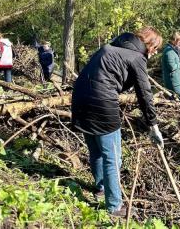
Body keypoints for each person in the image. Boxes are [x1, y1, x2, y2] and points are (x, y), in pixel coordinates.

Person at [71, 27, 164, 218]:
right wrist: (153, 126)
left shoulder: (111, 47)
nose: (154, 53)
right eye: (155, 48)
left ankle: (102, 189)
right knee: (113, 156)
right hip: (101, 102)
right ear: (150, 45)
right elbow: (145, 94)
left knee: (96, 149)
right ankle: (114, 206)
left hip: (79, 97)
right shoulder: (137, 57)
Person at [161, 31, 180, 103]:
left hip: (175, 81)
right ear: (174, 41)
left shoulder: (174, 50)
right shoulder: (169, 52)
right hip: (173, 83)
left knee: (173, 102)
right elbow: (172, 67)